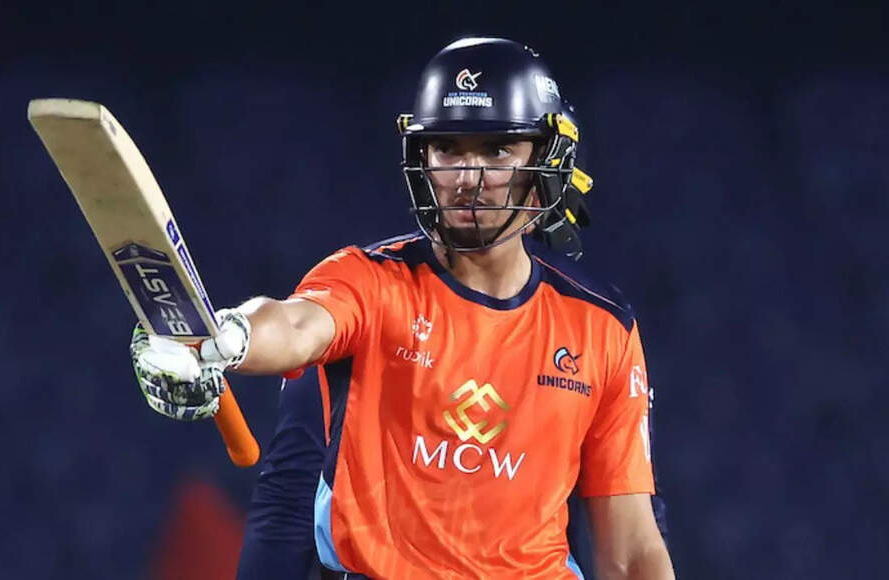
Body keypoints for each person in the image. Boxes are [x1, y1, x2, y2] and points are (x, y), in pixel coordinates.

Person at [132, 37, 675, 579]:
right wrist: (226, 337)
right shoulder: (370, 280)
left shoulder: (602, 326)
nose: (467, 178)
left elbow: (630, 552)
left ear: (546, 162)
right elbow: (295, 324)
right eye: (447, 149)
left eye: (497, 150)